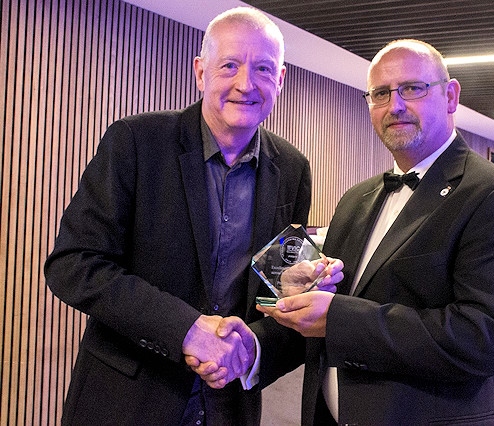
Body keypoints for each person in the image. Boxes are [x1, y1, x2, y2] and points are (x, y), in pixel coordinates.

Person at [45, 7, 324, 425]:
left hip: (229, 405)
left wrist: (253, 344)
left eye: (263, 69)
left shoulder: (293, 168)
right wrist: (186, 329)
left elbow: (278, 289)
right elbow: (73, 264)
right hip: (127, 402)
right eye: (229, 65)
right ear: (200, 71)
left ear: (280, 80)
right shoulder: (136, 142)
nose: (245, 83)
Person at [258, 39, 494, 425]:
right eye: (380, 93)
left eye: (411, 88)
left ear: (450, 95)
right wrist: (291, 300)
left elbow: (483, 338)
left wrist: (338, 317)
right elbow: (330, 302)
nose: (394, 105)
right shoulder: (355, 198)